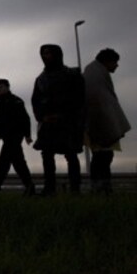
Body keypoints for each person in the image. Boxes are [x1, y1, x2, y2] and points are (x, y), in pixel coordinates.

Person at [31, 44, 85, 196]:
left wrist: (64, 115)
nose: (45, 56)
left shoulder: (71, 75)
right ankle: (50, 188)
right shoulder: (41, 79)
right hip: (48, 123)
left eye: (48, 53)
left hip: (67, 122)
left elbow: (78, 99)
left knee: (71, 154)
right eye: (43, 53)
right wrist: (43, 116)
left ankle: (75, 189)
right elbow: (35, 100)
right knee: (47, 155)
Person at [84, 48, 131, 195]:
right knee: (103, 157)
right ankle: (102, 189)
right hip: (100, 123)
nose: (117, 65)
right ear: (107, 61)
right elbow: (102, 100)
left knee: (101, 157)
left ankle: (100, 188)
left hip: (95, 122)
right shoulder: (97, 73)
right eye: (115, 62)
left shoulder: (92, 71)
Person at [0, 79, 36, 196]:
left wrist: (27, 135)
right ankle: (29, 187)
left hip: (15, 136)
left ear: (7, 87)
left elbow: (25, 119)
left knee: (4, 163)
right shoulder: (0, 103)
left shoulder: (16, 101)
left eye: (1, 87)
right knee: (16, 162)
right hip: (7, 137)